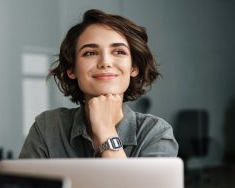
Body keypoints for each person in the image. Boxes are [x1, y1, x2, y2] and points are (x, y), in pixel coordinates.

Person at [19, 9, 178, 158]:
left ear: (134, 67)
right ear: (71, 69)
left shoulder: (156, 134)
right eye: (90, 53)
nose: (105, 62)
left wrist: (106, 131)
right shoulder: (47, 128)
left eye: (119, 52)